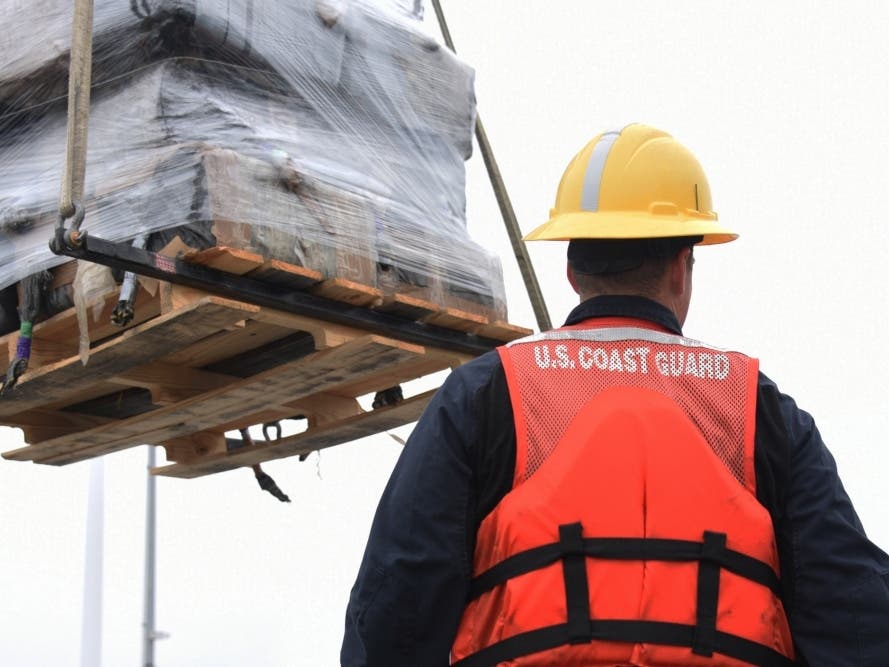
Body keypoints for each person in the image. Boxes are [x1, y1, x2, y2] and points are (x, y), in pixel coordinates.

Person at [340, 123, 889, 666]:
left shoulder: (487, 394)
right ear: (682, 268)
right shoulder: (759, 409)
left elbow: (396, 606)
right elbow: (856, 619)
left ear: (572, 271)